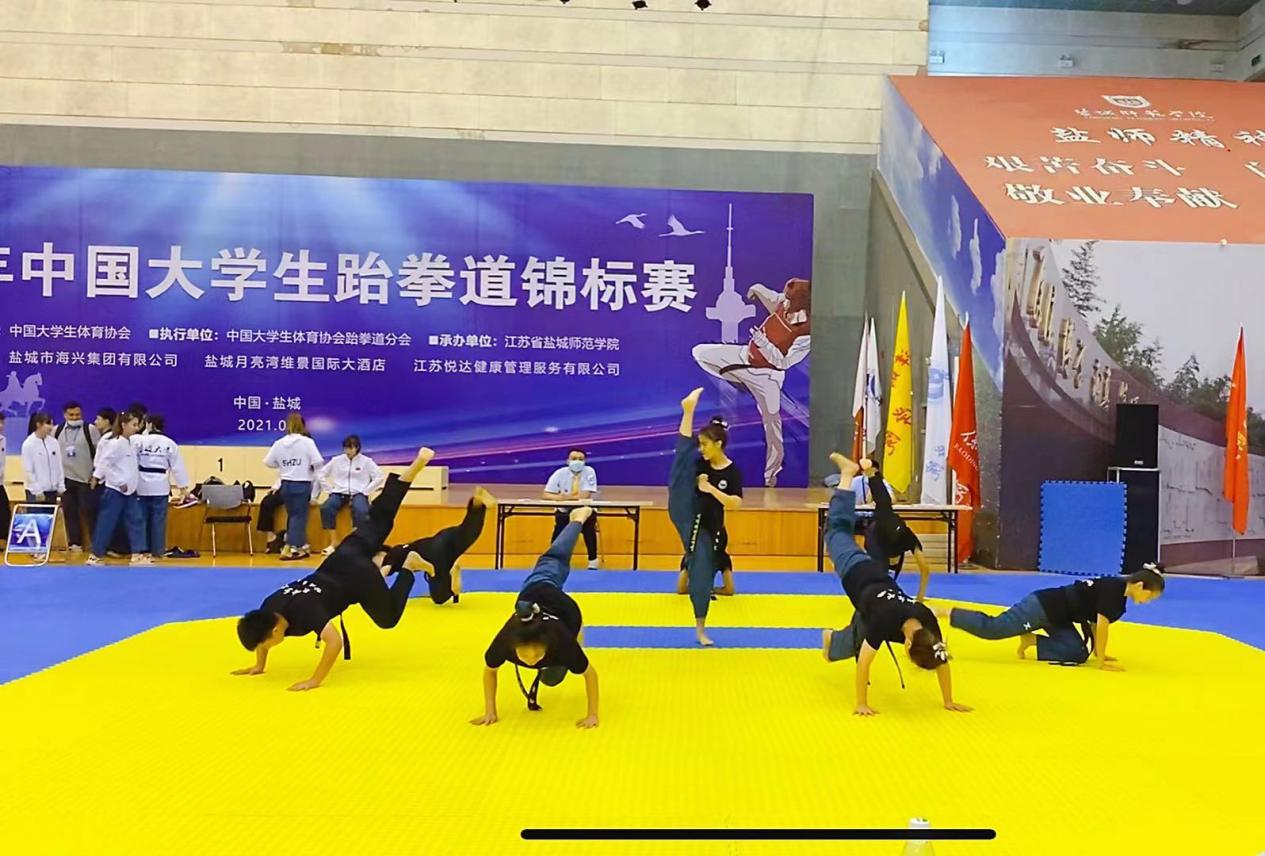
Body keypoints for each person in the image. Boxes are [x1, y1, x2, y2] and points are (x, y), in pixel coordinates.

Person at [232, 447, 440, 691]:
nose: (266, 647)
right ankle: (414, 467)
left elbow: (334, 643)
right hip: (341, 557)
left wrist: (314, 680)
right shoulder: (267, 607)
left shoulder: (305, 612)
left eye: (265, 645)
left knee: (388, 619)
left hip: (358, 578)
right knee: (379, 518)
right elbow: (262, 634)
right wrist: (259, 665)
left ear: (275, 631)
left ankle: (407, 567)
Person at [820, 452, 971, 716]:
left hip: (874, 589)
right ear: (908, 645)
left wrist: (949, 700)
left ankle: (832, 642)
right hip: (857, 571)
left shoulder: (926, 620)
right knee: (836, 529)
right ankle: (847, 474)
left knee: (848, 643)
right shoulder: (887, 621)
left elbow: (941, 659)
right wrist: (861, 703)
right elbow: (864, 664)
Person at [472, 505, 600, 729]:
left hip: (560, 604)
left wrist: (592, 715)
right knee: (551, 678)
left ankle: (577, 519)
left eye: (536, 656)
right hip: (535, 599)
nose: (530, 661)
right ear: (514, 648)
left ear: (547, 647)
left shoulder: (559, 639)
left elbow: (590, 674)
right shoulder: (506, 639)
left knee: (556, 557)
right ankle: (575, 522)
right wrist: (490, 711)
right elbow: (490, 671)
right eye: (526, 656)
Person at [692, 277, 811, 487]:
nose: (784, 302)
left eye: (789, 300)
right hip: (745, 357)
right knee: (701, 353)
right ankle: (742, 382)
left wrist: (764, 343)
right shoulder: (783, 304)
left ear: (800, 304)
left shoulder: (806, 334)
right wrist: (757, 289)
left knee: (772, 423)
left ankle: (771, 473)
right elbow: (771, 298)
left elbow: (784, 362)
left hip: (768, 376)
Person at [944, 564, 1166, 669]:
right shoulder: (1114, 591)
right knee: (993, 629)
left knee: (1077, 654)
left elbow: (1092, 622)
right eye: (1150, 596)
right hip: (1042, 606)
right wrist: (1100, 663)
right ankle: (949, 613)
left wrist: (1100, 653)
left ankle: (1031, 639)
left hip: (1060, 616)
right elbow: (1101, 625)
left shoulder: (1118, 594)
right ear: (1140, 585)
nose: (1148, 601)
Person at [383, 486, 495, 605]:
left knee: (440, 598)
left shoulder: (390, 557)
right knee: (468, 532)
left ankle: (433, 571)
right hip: (442, 538)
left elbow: (383, 572)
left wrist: (375, 591)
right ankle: (477, 503)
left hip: (435, 557)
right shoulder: (401, 548)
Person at [675, 416, 743, 598]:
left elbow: (736, 503)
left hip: (716, 526)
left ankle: (717, 581)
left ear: (718, 444)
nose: (701, 449)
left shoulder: (732, 471)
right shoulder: (700, 465)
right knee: (681, 587)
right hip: (696, 525)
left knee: (717, 564)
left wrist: (711, 489)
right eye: (700, 444)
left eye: (705, 444)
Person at [857, 457, 932, 603]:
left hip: (887, 527)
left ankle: (872, 473)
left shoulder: (908, 539)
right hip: (879, 531)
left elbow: (925, 568)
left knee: (884, 506)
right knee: (884, 506)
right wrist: (920, 597)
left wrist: (920, 597)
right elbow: (925, 568)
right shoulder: (896, 540)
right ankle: (872, 473)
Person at [87, 411, 147, 566]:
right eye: (133, 425)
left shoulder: (130, 442)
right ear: (123, 425)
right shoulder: (115, 443)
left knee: (136, 519)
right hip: (115, 491)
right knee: (107, 522)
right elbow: (105, 463)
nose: (136, 428)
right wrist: (102, 478)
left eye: (137, 425)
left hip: (130, 490)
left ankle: (137, 554)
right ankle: (96, 555)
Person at [263, 412, 324, 560]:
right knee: (299, 517)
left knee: (293, 516)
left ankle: (300, 546)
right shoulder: (307, 442)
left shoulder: (279, 443)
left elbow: (268, 462)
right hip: (301, 483)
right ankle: (290, 547)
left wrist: (284, 465)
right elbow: (318, 461)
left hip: (285, 484)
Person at [133, 414, 191, 560]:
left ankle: (141, 550)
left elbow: (130, 461)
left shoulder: (138, 441)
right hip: (160, 485)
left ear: (149, 424)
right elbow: (177, 467)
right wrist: (183, 488)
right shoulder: (169, 443)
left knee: (140, 519)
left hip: (140, 483)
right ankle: (157, 550)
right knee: (158, 520)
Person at [317, 435, 384, 556]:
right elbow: (321, 474)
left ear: (357, 448)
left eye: (350, 448)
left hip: (358, 493)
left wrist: (366, 491)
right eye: (345, 448)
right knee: (326, 508)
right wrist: (329, 490)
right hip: (339, 492)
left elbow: (379, 477)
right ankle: (334, 542)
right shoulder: (336, 460)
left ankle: (355, 543)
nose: (347, 451)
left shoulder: (366, 461)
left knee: (362, 511)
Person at [55, 401, 101, 554]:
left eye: (78, 415)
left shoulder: (90, 430)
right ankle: (75, 543)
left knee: (90, 512)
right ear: (64, 415)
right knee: (69, 511)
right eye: (71, 415)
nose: (75, 418)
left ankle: (97, 543)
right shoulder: (57, 430)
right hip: (65, 479)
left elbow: (100, 453)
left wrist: (95, 475)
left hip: (85, 478)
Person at [543, 448, 600, 570]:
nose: (577, 461)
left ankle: (593, 560)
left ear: (584, 461)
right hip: (564, 509)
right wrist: (560, 498)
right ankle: (553, 560)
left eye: (581, 459)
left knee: (588, 527)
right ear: (568, 461)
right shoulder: (559, 473)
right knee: (559, 528)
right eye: (574, 459)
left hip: (584, 509)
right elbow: (547, 493)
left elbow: (585, 495)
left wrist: (564, 497)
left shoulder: (589, 471)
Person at [21, 412, 64, 504]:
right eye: (48, 424)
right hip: (35, 492)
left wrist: (61, 486)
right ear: (38, 424)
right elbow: (28, 470)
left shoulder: (54, 442)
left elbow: (59, 466)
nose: (51, 427)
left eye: (52, 424)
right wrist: (37, 491)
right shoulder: (28, 444)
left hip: (52, 491)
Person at [0, 413, 10, 538]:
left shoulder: (3, 440)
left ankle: (3, 540)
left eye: (2, 422)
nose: (1, 425)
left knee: (4, 512)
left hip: (0, 482)